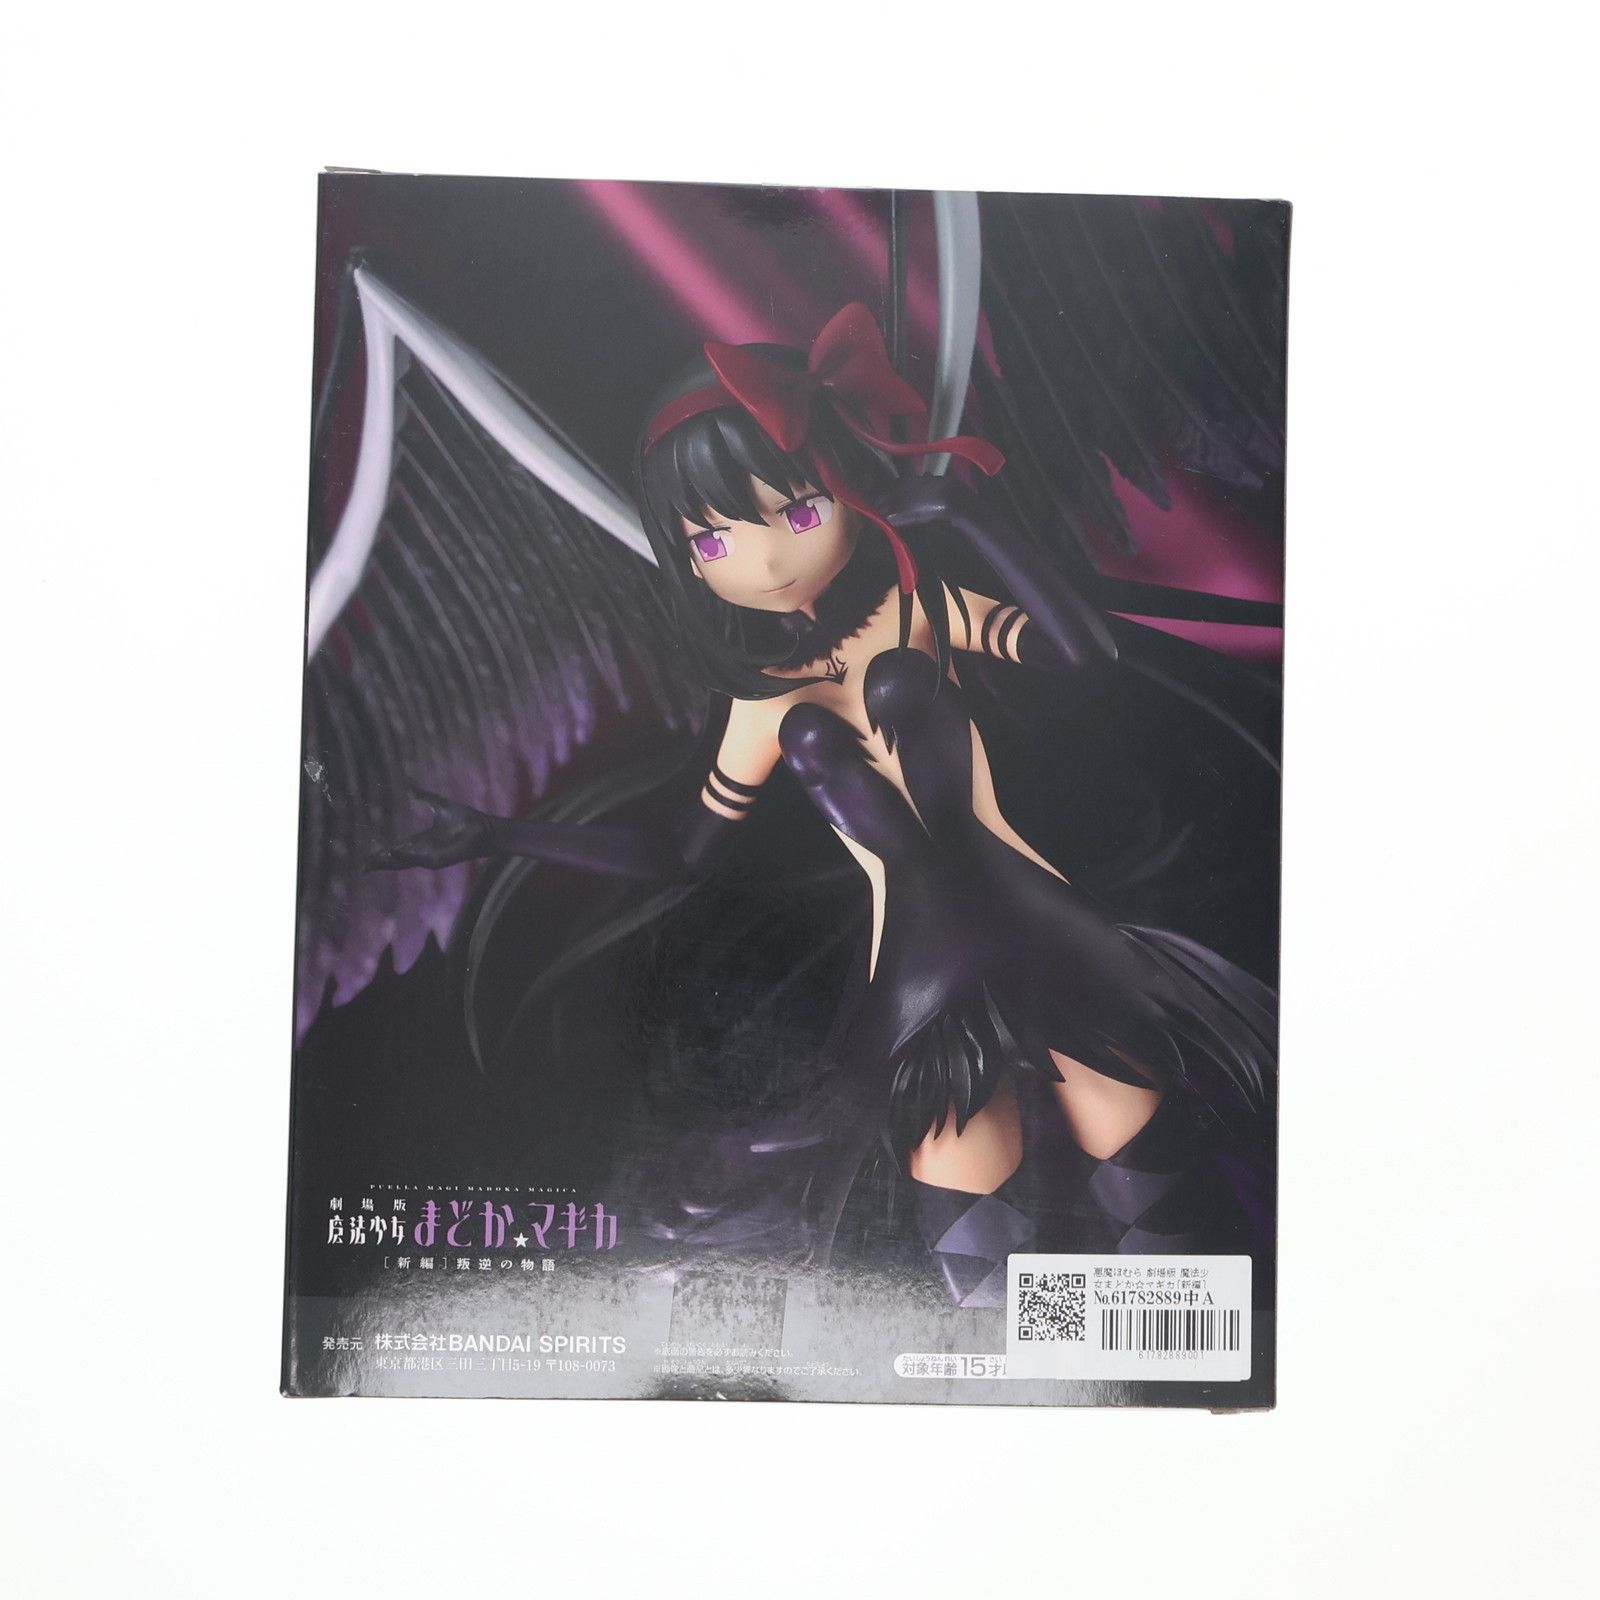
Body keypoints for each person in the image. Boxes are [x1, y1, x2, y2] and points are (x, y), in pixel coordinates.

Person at [374, 305, 1274, 1307]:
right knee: (979, 1259)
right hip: (925, 976)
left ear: (847, 490)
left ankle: (1149, 1377)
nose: (764, 561)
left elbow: (1082, 655)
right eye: (715, 538)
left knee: (1162, 1220)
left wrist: (967, 521)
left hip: (1045, 927)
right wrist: (500, 835)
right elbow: (683, 852)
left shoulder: (920, 609)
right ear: (686, 558)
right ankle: (1048, 1377)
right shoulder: (760, 705)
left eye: (797, 514)